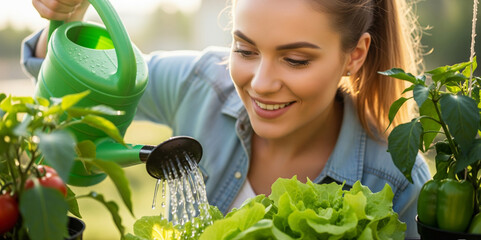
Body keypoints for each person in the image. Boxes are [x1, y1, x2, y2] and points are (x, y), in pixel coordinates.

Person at [22, 0, 431, 238]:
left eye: (294, 60)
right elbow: (77, 83)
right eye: (245, 50)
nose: (261, 83)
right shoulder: (201, 84)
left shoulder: (395, 179)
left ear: (354, 55)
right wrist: (65, 20)